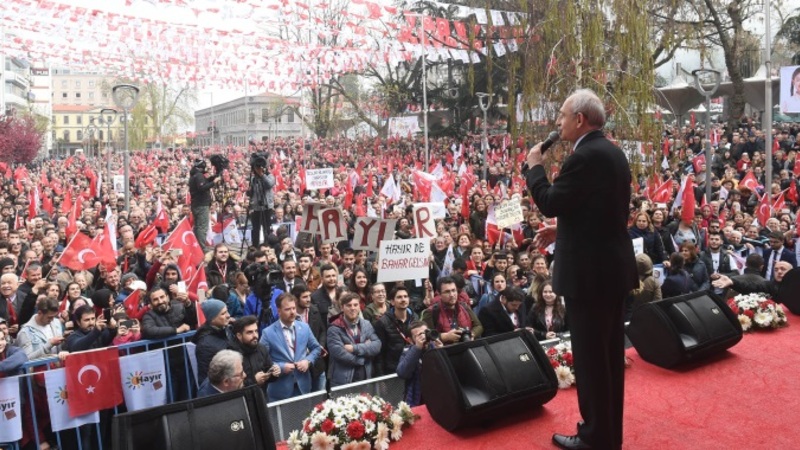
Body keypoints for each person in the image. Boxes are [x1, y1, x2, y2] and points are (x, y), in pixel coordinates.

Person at [526, 88, 637, 450]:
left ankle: (593, 439)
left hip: (590, 278)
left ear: (579, 119)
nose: (557, 122)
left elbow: (548, 201)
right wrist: (564, 229)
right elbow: (603, 212)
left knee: (592, 364)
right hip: (610, 272)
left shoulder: (584, 157)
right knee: (607, 361)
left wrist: (535, 168)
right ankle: (607, 436)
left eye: (561, 115)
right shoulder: (613, 153)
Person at [260, 293, 322, 401]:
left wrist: (308, 361)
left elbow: (316, 348)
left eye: (294, 308)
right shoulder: (268, 333)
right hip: (280, 389)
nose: (292, 312)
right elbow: (261, 359)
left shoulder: (304, 327)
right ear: (279, 311)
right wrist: (281, 366)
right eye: (288, 309)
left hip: (303, 386)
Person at [327, 292, 382, 387]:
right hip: (343, 380)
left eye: (355, 305)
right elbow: (339, 353)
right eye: (349, 305)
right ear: (342, 308)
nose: (353, 308)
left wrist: (354, 348)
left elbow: (377, 345)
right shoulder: (334, 328)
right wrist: (363, 358)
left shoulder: (366, 324)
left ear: (359, 307)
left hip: (365, 377)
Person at [420, 276, 483, 345]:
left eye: (453, 290)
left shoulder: (464, 307)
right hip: (445, 352)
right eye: (447, 292)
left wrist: (471, 334)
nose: (452, 295)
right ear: (439, 294)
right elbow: (426, 337)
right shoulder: (431, 312)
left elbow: (478, 326)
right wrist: (445, 337)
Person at [395, 320, 442, 407]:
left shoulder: (435, 347)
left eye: (426, 332)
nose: (424, 336)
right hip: (418, 400)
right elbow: (402, 373)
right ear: (410, 340)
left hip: (438, 398)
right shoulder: (408, 351)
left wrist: (442, 352)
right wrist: (417, 348)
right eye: (420, 334)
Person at [229, 315, 281, 394]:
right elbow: (231, 385)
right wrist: (254, 381)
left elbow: (268, 369)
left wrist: (274, 373)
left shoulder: (261, 348)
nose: (255, 335)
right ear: (239, 335)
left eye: (256, 331)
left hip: (261, 396)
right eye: (250, 332)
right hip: (242, 401)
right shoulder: (230, 354)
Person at [373, 285, 416, 376]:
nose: (403, 299)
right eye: (399, 297)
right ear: (392, 302)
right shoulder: (382, 323)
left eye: (405, 296)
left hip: (414, 367)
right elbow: (379, 354)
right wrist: (381, 377)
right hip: (393, 371)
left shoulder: (414, 318)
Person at [192, 299, 233, 385]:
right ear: (212, 319)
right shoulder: (204, 345)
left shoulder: (226, 330)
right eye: (223, 313)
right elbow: (206, 377)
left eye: (227, 311)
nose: (228, 315)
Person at [189, 158, 218, 252]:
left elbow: (203, 183)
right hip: (201, 204)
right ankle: (202, 248)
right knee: (202, 227)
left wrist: (212, 178)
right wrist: (214, 182)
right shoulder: (199, 175)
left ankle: (196, 245)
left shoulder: (194, 175)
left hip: (196, 204)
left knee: (198, 227)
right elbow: (202, 187)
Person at [247, 154, 276, 247]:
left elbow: (269, 184)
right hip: (256, 207)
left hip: (267, 206)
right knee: (255, 228)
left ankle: (267, 245)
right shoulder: (253, 178)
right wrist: (249, 191)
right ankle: (255, 246)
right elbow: (251, 193)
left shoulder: (269, 175)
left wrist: (262, 175)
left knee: (266, 228)